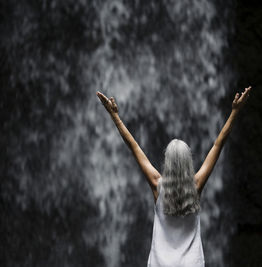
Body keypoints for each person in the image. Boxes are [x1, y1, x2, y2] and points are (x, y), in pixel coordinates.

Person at [96, 86, 252, 267]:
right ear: (188, 163)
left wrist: (115, 116)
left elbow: (134, 147)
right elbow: (218, 144)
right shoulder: (197, 184)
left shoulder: (157, 185)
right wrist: (235, 111)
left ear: (167, 164)